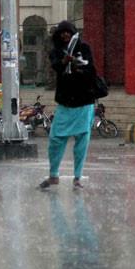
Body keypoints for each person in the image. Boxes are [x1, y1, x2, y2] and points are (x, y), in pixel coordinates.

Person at [39, 21, 96, 190]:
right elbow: (56, 66)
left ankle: (77, 178)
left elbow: (92, 69)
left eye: (68, 32)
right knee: (56, 139)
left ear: (73, 33)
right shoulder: (56, 51)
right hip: (65, 101)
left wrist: (80, 66)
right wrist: (65, 60)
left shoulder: (84, 48)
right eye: (62, 33)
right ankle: (53, 175)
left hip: (84, 101)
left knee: (82, 140)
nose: (65, 35)